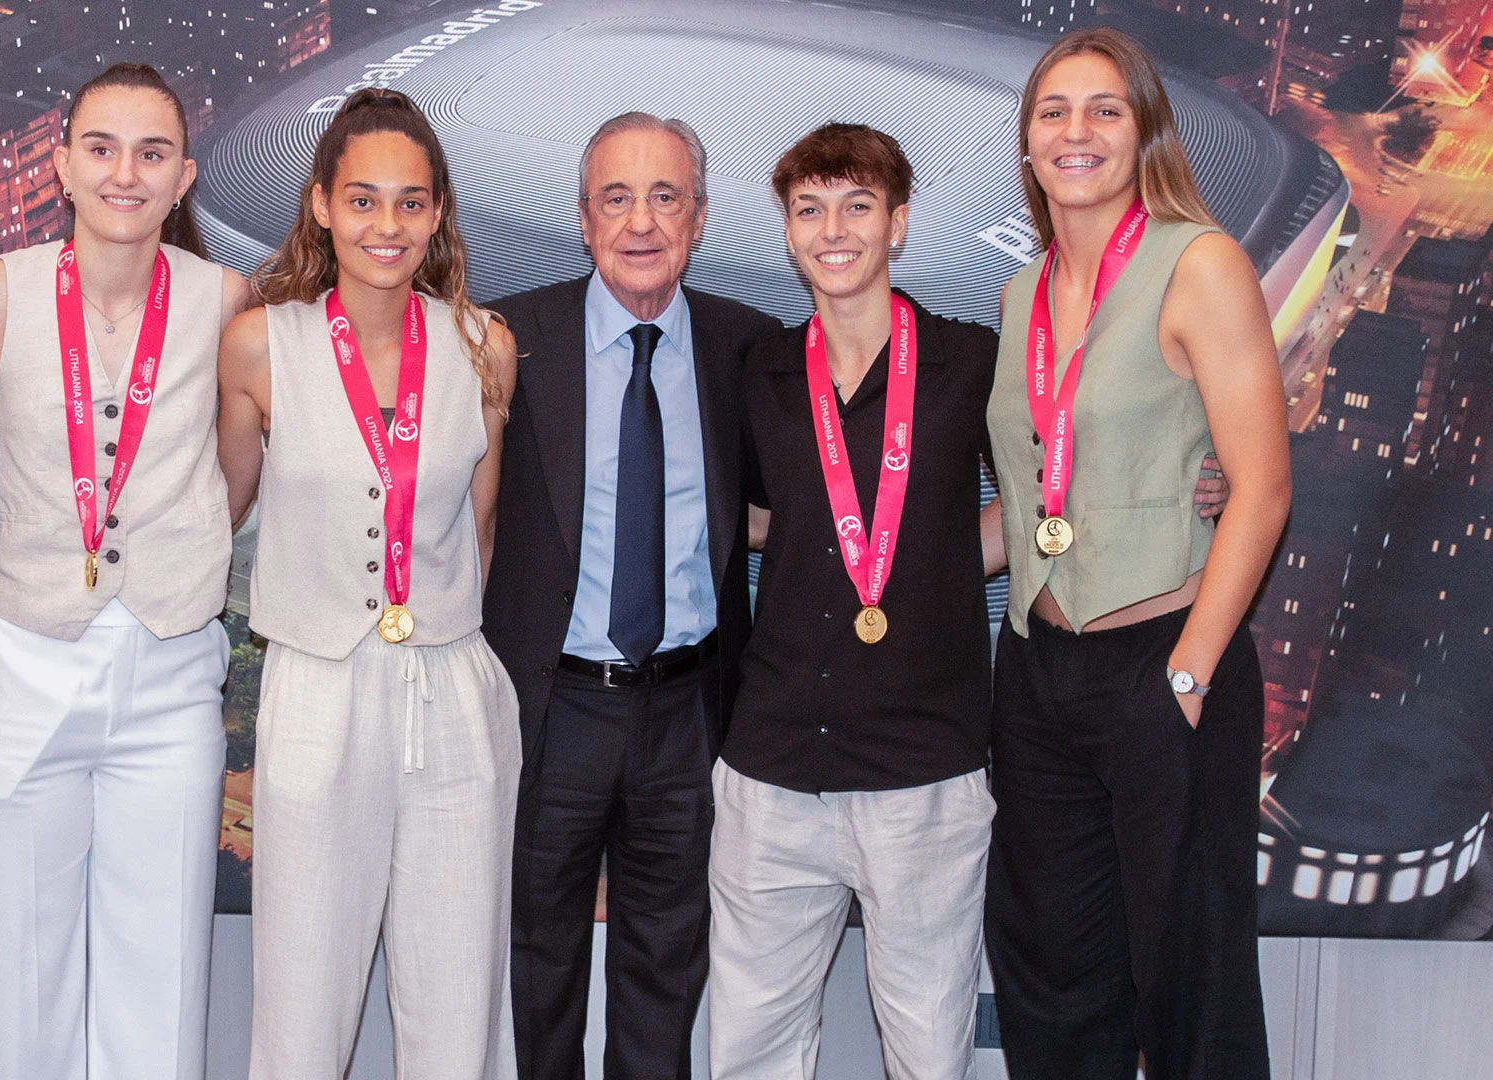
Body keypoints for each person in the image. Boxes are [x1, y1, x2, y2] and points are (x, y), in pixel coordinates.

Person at [983, 28, 1291, 1080]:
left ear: (1144, 130)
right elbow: (1032, 503)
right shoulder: (1021, 295)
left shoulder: (1197, 262)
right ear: (1027, 144)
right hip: (1038, 672)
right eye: (1054, 112)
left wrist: (1190, 676)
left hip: (1162, 660)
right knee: (1051, 980)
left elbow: (1261, 485)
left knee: (1191, 984)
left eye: (1105, 109)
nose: (1078, 131)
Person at [0, 62, 249, 1080]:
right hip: (26, 658)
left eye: (152, 153)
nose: (127, 172)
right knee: (12, 983)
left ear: (184, 176)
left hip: (166, 670)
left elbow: (236, 476)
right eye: (103, 148)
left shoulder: (225, 302)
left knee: (159, 987)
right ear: (64, 164)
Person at [217, 87, 521, 1080]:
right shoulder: (264, 344)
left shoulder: (484, 347)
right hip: (315, 685)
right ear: (320, 205)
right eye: (362, 200)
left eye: (410, 202)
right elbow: (220, 508)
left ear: (437, 214)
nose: (385, 226)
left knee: (455, 1004)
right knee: (302, 1006)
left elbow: (479, 528)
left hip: (450, 685)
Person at [485, 112, 781, 1080]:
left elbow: (815, 498)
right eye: (618, 197)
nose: (642, 221)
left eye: (666, 197)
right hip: (552, 707)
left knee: (665, 967)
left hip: (689, 715)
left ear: (698, 219)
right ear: (583, 218)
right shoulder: (508, 340)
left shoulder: (751, 349)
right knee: (538, 965)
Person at [707, 123, 1000, 1080]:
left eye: (858, 205)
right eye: (809, 209)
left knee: (926, 1049)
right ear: (787, 230)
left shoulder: (970, 362)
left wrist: (936, 562)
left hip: (924, 767)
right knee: (752, 1048)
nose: (833, 229)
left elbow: (1051, 501)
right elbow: (757, 516)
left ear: (899, 222)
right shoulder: (758, 370)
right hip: (773, 764)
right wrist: (818, 540)